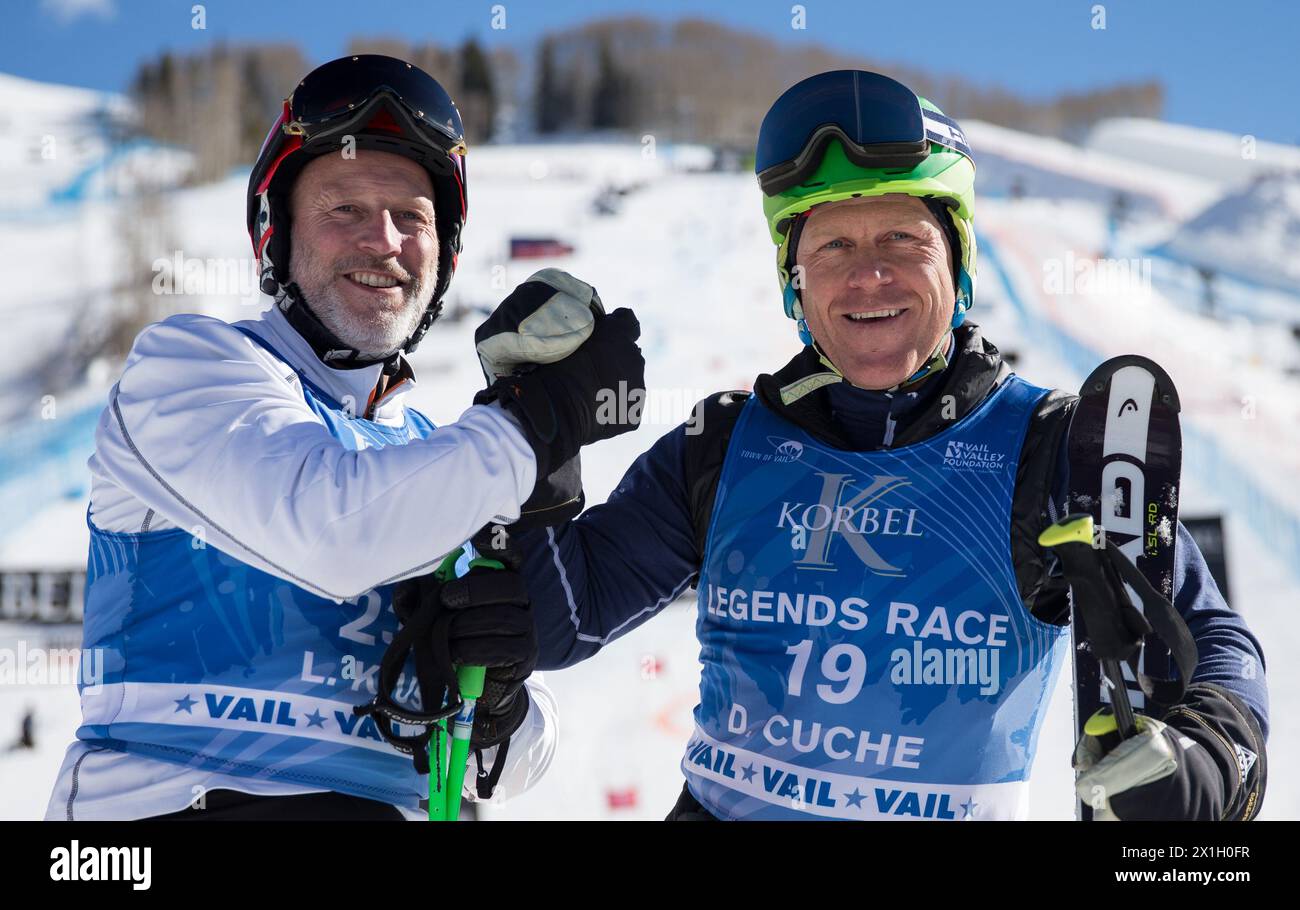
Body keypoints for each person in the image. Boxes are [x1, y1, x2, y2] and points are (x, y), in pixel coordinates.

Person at [512, 70, 1269, 820]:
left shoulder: (1053, 450)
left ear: (958, 262)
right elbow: (557, 622)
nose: (868, 276)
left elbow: (1214, 641)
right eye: (833, 245)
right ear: (795, 283)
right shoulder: (723, 446)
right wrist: (535, 434)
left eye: (902, 239)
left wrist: (1209, 755)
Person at [44, 55, 644, 821]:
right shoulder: (189, 370)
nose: (383, 241)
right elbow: (329, 529)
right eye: (345, 210)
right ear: (277, 234)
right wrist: (536, 421)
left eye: (412, 217)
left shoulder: (443, 456)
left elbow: (509, 767)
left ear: (445, 254)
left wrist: (497, 696)